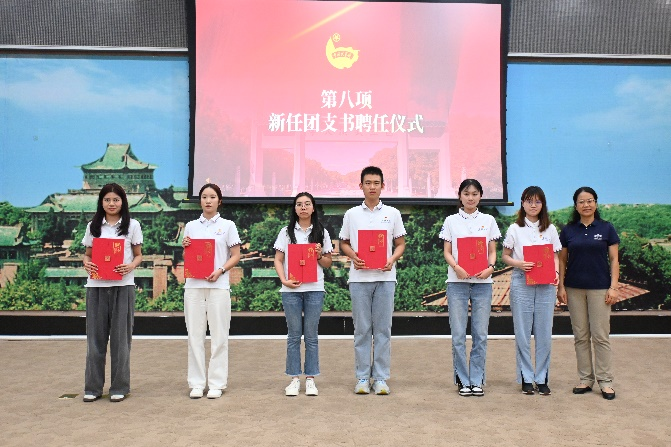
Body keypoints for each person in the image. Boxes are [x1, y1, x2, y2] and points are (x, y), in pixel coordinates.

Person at [339, 166, 406, 395]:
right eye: (368, 183)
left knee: (383, 330)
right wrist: (353, 257)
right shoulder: (351, 214)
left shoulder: (393, 213)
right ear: (361, 186)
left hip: (385, 278)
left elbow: (400, 244)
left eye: (376, 183)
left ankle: (380, 378)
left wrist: (392, 259)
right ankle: (361, 377)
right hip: (359, 279)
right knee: (362, 330)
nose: (372, 187)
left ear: (383, 186)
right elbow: (344, 243)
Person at [82, 183, 143, 403]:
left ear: (122, 202)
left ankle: (119, 386)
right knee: (95, 341)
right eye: (107, 200)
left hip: (123, 286)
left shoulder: (132, 225)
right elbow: (87, 255)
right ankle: (93, 387)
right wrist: (86, 263)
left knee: (120, 341)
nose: (111, 204)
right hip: (96, 287)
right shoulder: (93, 226)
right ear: (101, 202)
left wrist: (130, 266)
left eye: (116, 200)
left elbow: (138, 255)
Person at [439, 179, 500, 397]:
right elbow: (447, 251)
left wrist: (491, 268)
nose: (470, 198)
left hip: (483, 283)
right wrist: (456, 268)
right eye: (466, 194)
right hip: (457, 283)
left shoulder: (489, 220)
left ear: (480, 196)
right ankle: (462, 381)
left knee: (480, 335)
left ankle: (476, 380)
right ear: (460, 196)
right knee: (458, 335)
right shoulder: (451, 221)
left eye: (475, 194)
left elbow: (492, 251)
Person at [557, 186, 619, 400]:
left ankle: (605, 381)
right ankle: (585, 379)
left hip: (600, 288)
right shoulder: (568, 230)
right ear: (576, 206)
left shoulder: (606, 228)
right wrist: (561, 286)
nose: (586, 205)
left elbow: (614, 260)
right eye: (582, 201)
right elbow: (562, 261)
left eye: (590, 200)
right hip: (574, 288)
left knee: (600, 336)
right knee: (581, 336)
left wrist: (613, 286)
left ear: (596, 203)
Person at [182, 183, 241, 399]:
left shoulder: (227, 225)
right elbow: (190, 257)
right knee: (194, 336)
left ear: (219, 201)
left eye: (212, 197)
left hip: (218, 286)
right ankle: (197, 383)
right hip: (194, 286)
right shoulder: (191, 226)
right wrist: (185, 246)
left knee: (219, 336)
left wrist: (220, 270)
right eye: (204, 197)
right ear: (200, 200)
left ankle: (216, 383)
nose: (208, 201)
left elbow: (236, 255)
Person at [502, 186, 561, 396]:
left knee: (544, 332)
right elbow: (505, 256)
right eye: (529, 201)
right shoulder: (514, 228)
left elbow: (555, 256)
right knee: (523, 332)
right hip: (522, 280)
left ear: (543, 204)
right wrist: (519, 263)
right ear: (522, 203)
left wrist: (556, 273)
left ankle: (542, 378)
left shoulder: (550, 229)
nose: (533, 205)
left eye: (537, 201)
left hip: (546, 283)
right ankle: (526, 378)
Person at [273, 192, 333, 396]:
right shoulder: (286, 232)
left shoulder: (321, 232)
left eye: (307, 204)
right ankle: (293, 379)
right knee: (293, 335)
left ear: (313, 208)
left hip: (314, 289)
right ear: (295, 208)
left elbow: (328, 263)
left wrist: (318, 255)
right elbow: (278, 259)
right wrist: (284, 280)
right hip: (291, 290)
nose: (303, 207)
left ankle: (310, 379)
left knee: (311, 336)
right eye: (299, 204)